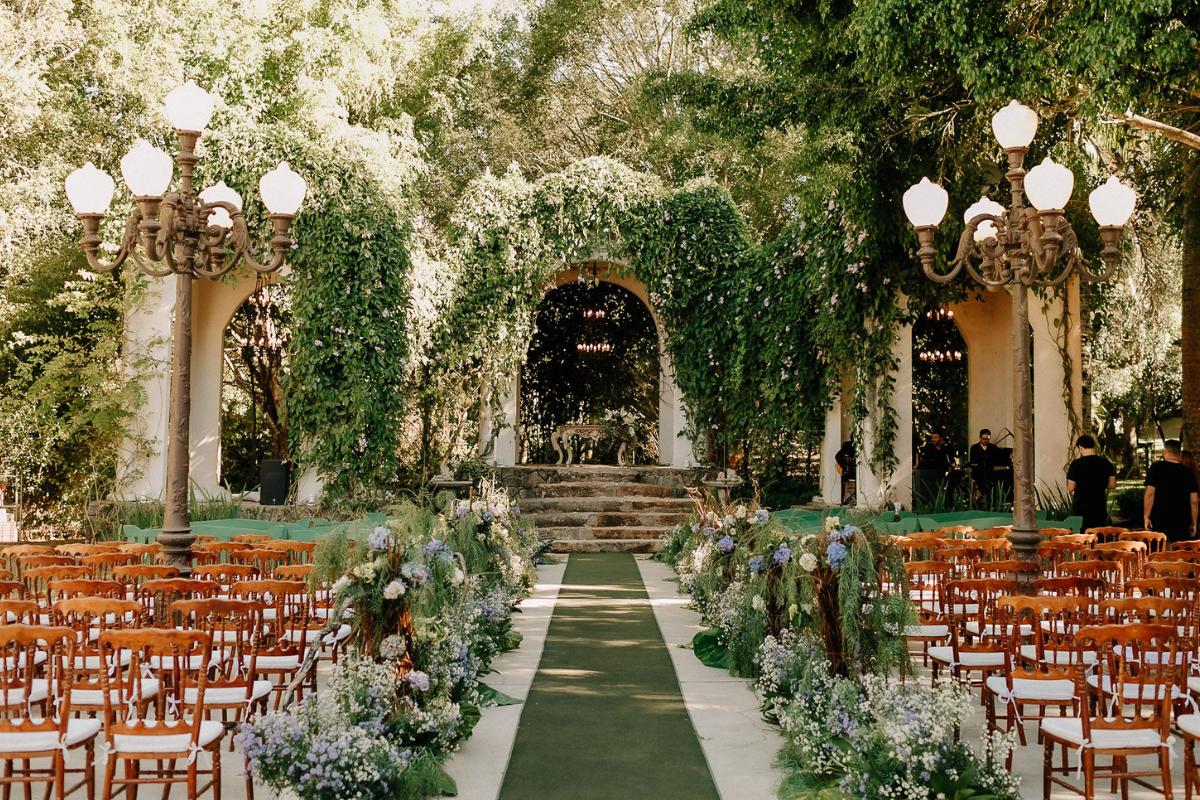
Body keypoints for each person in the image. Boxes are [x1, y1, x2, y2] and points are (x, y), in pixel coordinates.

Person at [1144, 439, 1200, 542]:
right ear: (1179, 453)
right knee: (1179, 551)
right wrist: (1194, 523)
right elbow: (1194, 501)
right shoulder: (1188, 472)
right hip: (1182, 519)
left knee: (1158, 551)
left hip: (1159, 517)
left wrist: (1146, 516)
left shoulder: (1156, 468)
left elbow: (1150, 493)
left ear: (1165, 452)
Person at [1065, 434, 1116, 533]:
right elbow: (1112, 485)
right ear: (1093, 446)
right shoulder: (1106, 463)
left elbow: (1070, 487)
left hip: (1080, 506)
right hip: (1099, 504)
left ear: (1080, 447)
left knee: (1082, 535)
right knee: (1098, 534)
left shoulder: (1076, 464)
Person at [968, 428, 999, 502]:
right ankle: (981, 500)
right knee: (981, 489)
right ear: (980, 437)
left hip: (990, 473)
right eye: (984, 439)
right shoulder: (974, 448)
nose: (985, 441)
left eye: (987, 439)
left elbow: (997, 458)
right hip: (978, 473)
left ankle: (989, 502)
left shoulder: (993, 448)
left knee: (992, 488)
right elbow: (973, 461)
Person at [834, 440, 856, 505]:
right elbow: (837, 456)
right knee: (844, 479)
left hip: (853, 472)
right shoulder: (847, 444)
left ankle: (852, 499)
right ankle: (844, 500)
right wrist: (843, 465)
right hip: (847, 472)